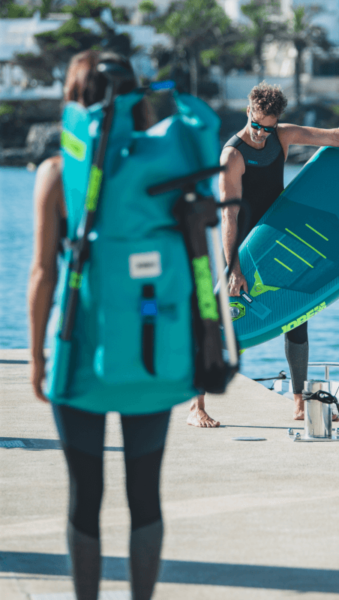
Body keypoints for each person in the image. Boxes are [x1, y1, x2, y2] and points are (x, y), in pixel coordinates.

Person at [187, 82, 339, 428]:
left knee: (295, 315)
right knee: (219, 322)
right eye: (258, 125)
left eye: (270, 126)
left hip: (277, 242)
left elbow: (336, 137)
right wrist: (233, 266)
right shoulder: (232, 155)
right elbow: (228, 215)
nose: (263, 133)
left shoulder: (282, 135)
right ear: (248, 111)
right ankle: (197, 406)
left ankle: (298, 403)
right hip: (241, 246)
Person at [29, 50, 166, 600]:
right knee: (145, 494)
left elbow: (42, 272)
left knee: (85, 493)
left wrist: (38, 358)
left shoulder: (59, 170)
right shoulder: (163, 168)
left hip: (80, 345)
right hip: (153, 342)